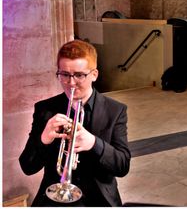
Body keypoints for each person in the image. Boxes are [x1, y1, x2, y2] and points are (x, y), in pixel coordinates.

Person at [19, 39, 131, 206]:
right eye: (64, 74)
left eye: (79, 75)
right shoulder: (45, 109)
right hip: (55, 197)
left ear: (94, 75)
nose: (70, 83)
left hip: (99, 199)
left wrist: (94, 143)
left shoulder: (115, 111)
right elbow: (27, 167)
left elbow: (122, 166)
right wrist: (43, 139)